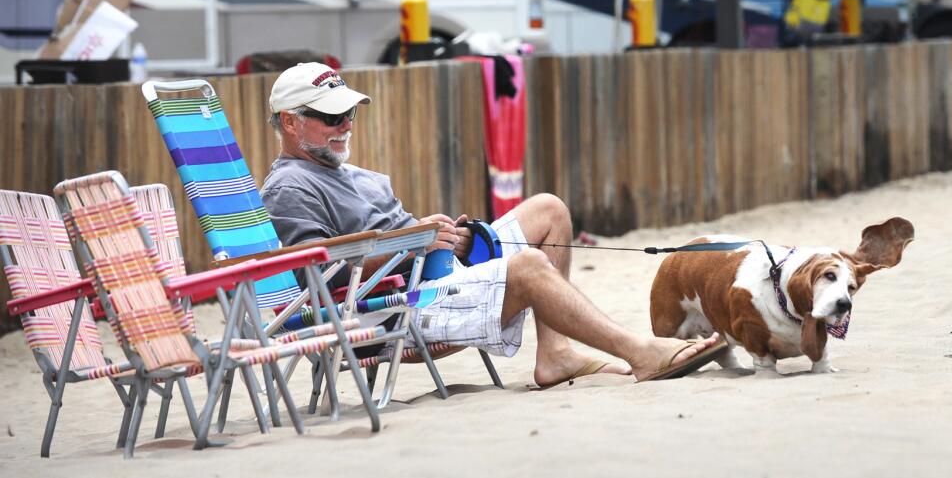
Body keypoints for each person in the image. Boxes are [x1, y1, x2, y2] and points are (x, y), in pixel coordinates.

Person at [260, 62, 725, 387]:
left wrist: (454, 240)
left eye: (350, 113)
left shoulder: (359, 176)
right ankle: (639, 353)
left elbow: (408, 243)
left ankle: (556, 354)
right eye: (330, 116)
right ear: (291, 122)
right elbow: (314, 277)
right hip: (393, 308)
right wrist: (411, 242)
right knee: (527, 267)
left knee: (549, 208)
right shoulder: (290, 187)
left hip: (433, 276)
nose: (345, 124)